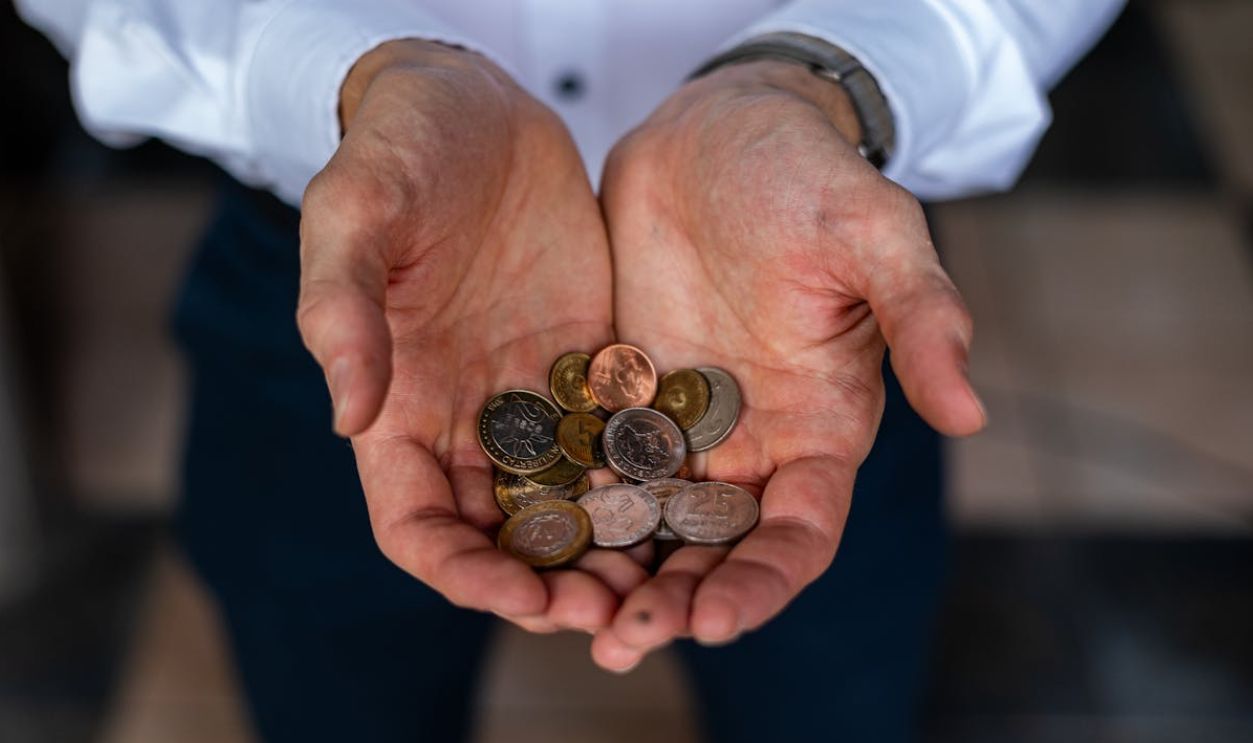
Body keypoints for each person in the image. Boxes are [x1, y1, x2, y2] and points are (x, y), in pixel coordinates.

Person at [18, 1, 1125, 740]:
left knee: (829, 701)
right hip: (362, 263)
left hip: (797, 306)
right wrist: (347, 72)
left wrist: (830, 78)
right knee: (331, 698)